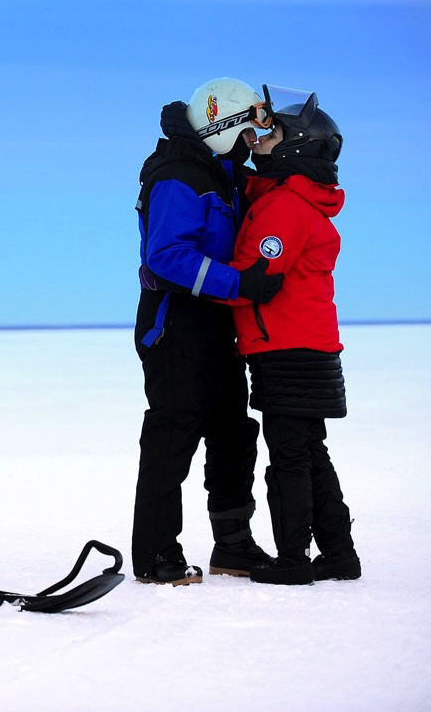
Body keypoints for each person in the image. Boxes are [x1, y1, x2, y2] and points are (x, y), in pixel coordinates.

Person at [132, 78, 284, 585]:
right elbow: (167, 255)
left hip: (218, 321)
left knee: (233, 434)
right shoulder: (180, 174)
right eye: (246, 132)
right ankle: (156, 555)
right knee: (172, 437)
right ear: (223, 126)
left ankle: (234, 547)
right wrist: (241, 281)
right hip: (176, 322)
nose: (250, 144)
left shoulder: (223, 175)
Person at [228, 87, 361, 585]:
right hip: (309, 345)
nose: (263, 139)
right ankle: (339, 554)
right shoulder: (295, 200)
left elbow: (256, 275)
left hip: (288, 348)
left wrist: (203, 284)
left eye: (273, 134)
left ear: (295, 149)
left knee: (288, 458)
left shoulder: (285, 206)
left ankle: (292, 560)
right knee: (309, 453)